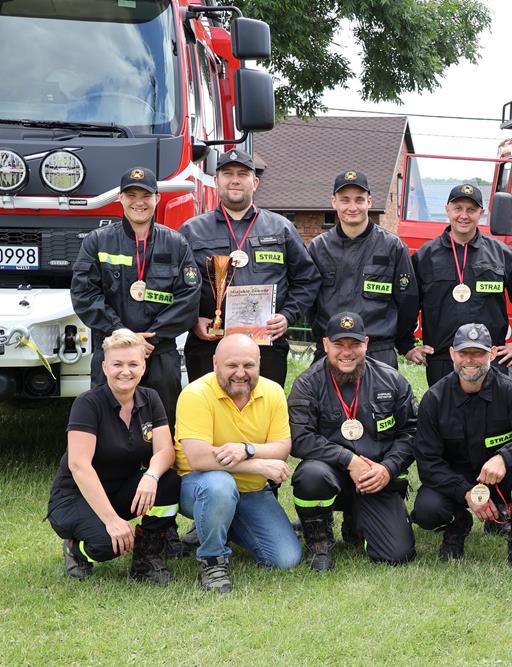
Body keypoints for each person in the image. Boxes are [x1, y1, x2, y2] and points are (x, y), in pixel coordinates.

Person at [411, 323, 512, 574]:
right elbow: (428, 463)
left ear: (492, 353)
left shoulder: (510, 392)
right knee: (426, 511)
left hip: (500, 478)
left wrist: (505, 458)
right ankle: (458, 523)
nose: (470, 360)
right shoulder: (434, 399)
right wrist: (465, 492)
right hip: (456, 480)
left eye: (478, 353)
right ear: (452, 354)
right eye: (463, 353)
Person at [47, 329, 180, 584]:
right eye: (117, 364)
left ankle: (146, 555)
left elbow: (165, 451)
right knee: (109, 544)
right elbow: (79, 465)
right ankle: (77, 550)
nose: (125, 371)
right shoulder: (87, 403)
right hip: (76, 496)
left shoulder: (150, 398)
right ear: (105, 367)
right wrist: (111, 521)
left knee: (169, 481)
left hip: (117, 491)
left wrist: (151, 476)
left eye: (133, 364)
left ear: (143, 367)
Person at [71, 167, 201, 427]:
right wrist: (123, 335)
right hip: (113, 351)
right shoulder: (97, 242)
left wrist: (152, 338)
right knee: (108, 421)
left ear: (157, 199)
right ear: (120, 198)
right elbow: (84, 294)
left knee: (163, 422)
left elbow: (189, 297)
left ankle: (160, 456)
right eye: (131, 195)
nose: (139, 202)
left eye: (146, 195)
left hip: (159, 352)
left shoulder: (176, 243)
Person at [179, 149, 319, 387]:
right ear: (216, 180)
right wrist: (193, 320)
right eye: (228, 174)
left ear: (255, 183)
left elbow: (308, 279)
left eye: (242, 174)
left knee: (263, 407)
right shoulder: (192, 231)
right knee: (209, 408)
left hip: (266, 347)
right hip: (208, 346)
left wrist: (287, 316)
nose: (235, 180)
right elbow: (178, 286)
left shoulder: (281, 228)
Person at [288, 311, 417, 570]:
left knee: (397, 555)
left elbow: (412, 431)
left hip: (375, 478)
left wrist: (388, 468)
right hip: (330, 475)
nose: (347, 352)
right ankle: (319, 538)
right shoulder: (307, 384)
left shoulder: (392, 380)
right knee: (310, 476)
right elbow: (300, 438)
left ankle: (357, 522)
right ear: (325, 344)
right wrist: (347, 459)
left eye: (354, 344)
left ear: (366, 343)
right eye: (339, 344)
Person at [173, 334, 301, 593]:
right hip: (199, 485)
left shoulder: (273, 392)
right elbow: (199, 458)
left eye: (248, 365)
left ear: (259, 363)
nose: (240, 373)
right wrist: (258, 466)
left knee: (285, 559)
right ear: (215, 363)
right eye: (231, 365)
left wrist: (247, 450)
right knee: (220, 485)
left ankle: (221, 524)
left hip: (251, 491)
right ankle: (213, 560)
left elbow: (282, 447)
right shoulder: (196, 394)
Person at [405, 183, 512, 388]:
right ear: (447, 210)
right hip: (443, 359)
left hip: (490, 357)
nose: (464, 216)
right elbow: (407, 304)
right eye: (458, 208)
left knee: (492, 410)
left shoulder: (500, 254)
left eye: (471, 210)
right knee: (444, 409)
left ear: (481, 213)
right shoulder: (425, 257)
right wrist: (406, 345)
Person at [307, 170, 418, 368]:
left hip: (378, 351)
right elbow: (309, 301)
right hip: (332, 349)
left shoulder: (393, 247)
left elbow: (407, 301)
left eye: (359, 200)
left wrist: (405, 343)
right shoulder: (318, 247)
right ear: (334, 202)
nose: (352, 207)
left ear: (369, 202)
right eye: (345, 200)